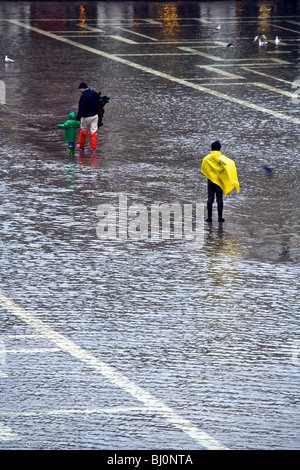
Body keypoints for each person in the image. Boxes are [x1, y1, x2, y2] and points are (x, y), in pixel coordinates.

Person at [201, 141, 240, 223]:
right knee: (220, 199)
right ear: (219, 148)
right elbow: (229, 166)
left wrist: (211, 176)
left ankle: (209, 218)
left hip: (211, 181)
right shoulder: (223, 159)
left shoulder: (206, 158)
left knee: (210, 199)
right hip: (220, 182)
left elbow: (204, 169)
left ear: (211, 148)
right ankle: (220, 218)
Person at [76, 82, 100, 152]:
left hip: (86, 117)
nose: (80, 91)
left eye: (80, 89)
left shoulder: (83, 96)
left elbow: (81, 109)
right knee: (93, 133)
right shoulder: (94, 93)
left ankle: (81, 147)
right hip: (95, 116)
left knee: (83, 132)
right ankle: (93, 149)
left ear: (82, 88)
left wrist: (78, 119)